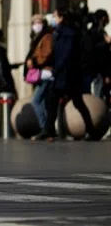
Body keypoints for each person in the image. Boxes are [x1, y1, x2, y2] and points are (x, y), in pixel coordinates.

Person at [47, 8, 100, 141]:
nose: (53, 18)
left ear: (61, 18)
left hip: (68, 76)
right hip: (62, 75)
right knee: (55, 100)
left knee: (77, 102)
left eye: (54, 16)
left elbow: (66, 55)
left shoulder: (69, 34)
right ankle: (49, 131)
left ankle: (90, 130)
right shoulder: (59, 33)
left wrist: (56, 69)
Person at [25, 14, 55, 141]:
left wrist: (34, 61)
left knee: (36, 101)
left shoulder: (47, 36)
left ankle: (45, 129)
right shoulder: (35, 37)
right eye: (34, 22)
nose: (36, 24)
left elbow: (46, 53)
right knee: (43, 101)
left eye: (39, 22)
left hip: (46, 73)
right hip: (40, 73)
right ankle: (48, 129)